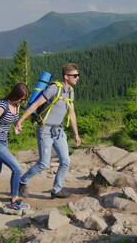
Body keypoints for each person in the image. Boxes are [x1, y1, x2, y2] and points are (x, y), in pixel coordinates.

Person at [15, 63, 82, 199]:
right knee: (43, 163)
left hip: (59, 131)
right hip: (45, 130)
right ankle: (21, 182)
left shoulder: (70, 92)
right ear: (66, 76)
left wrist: (76, 134)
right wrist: (20, 121)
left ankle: (57, 190)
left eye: (78, 75)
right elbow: (36, 104)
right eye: (75, 75)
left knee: (65, 161)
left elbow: (72, 113)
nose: (77, 78)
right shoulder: (53, 89)